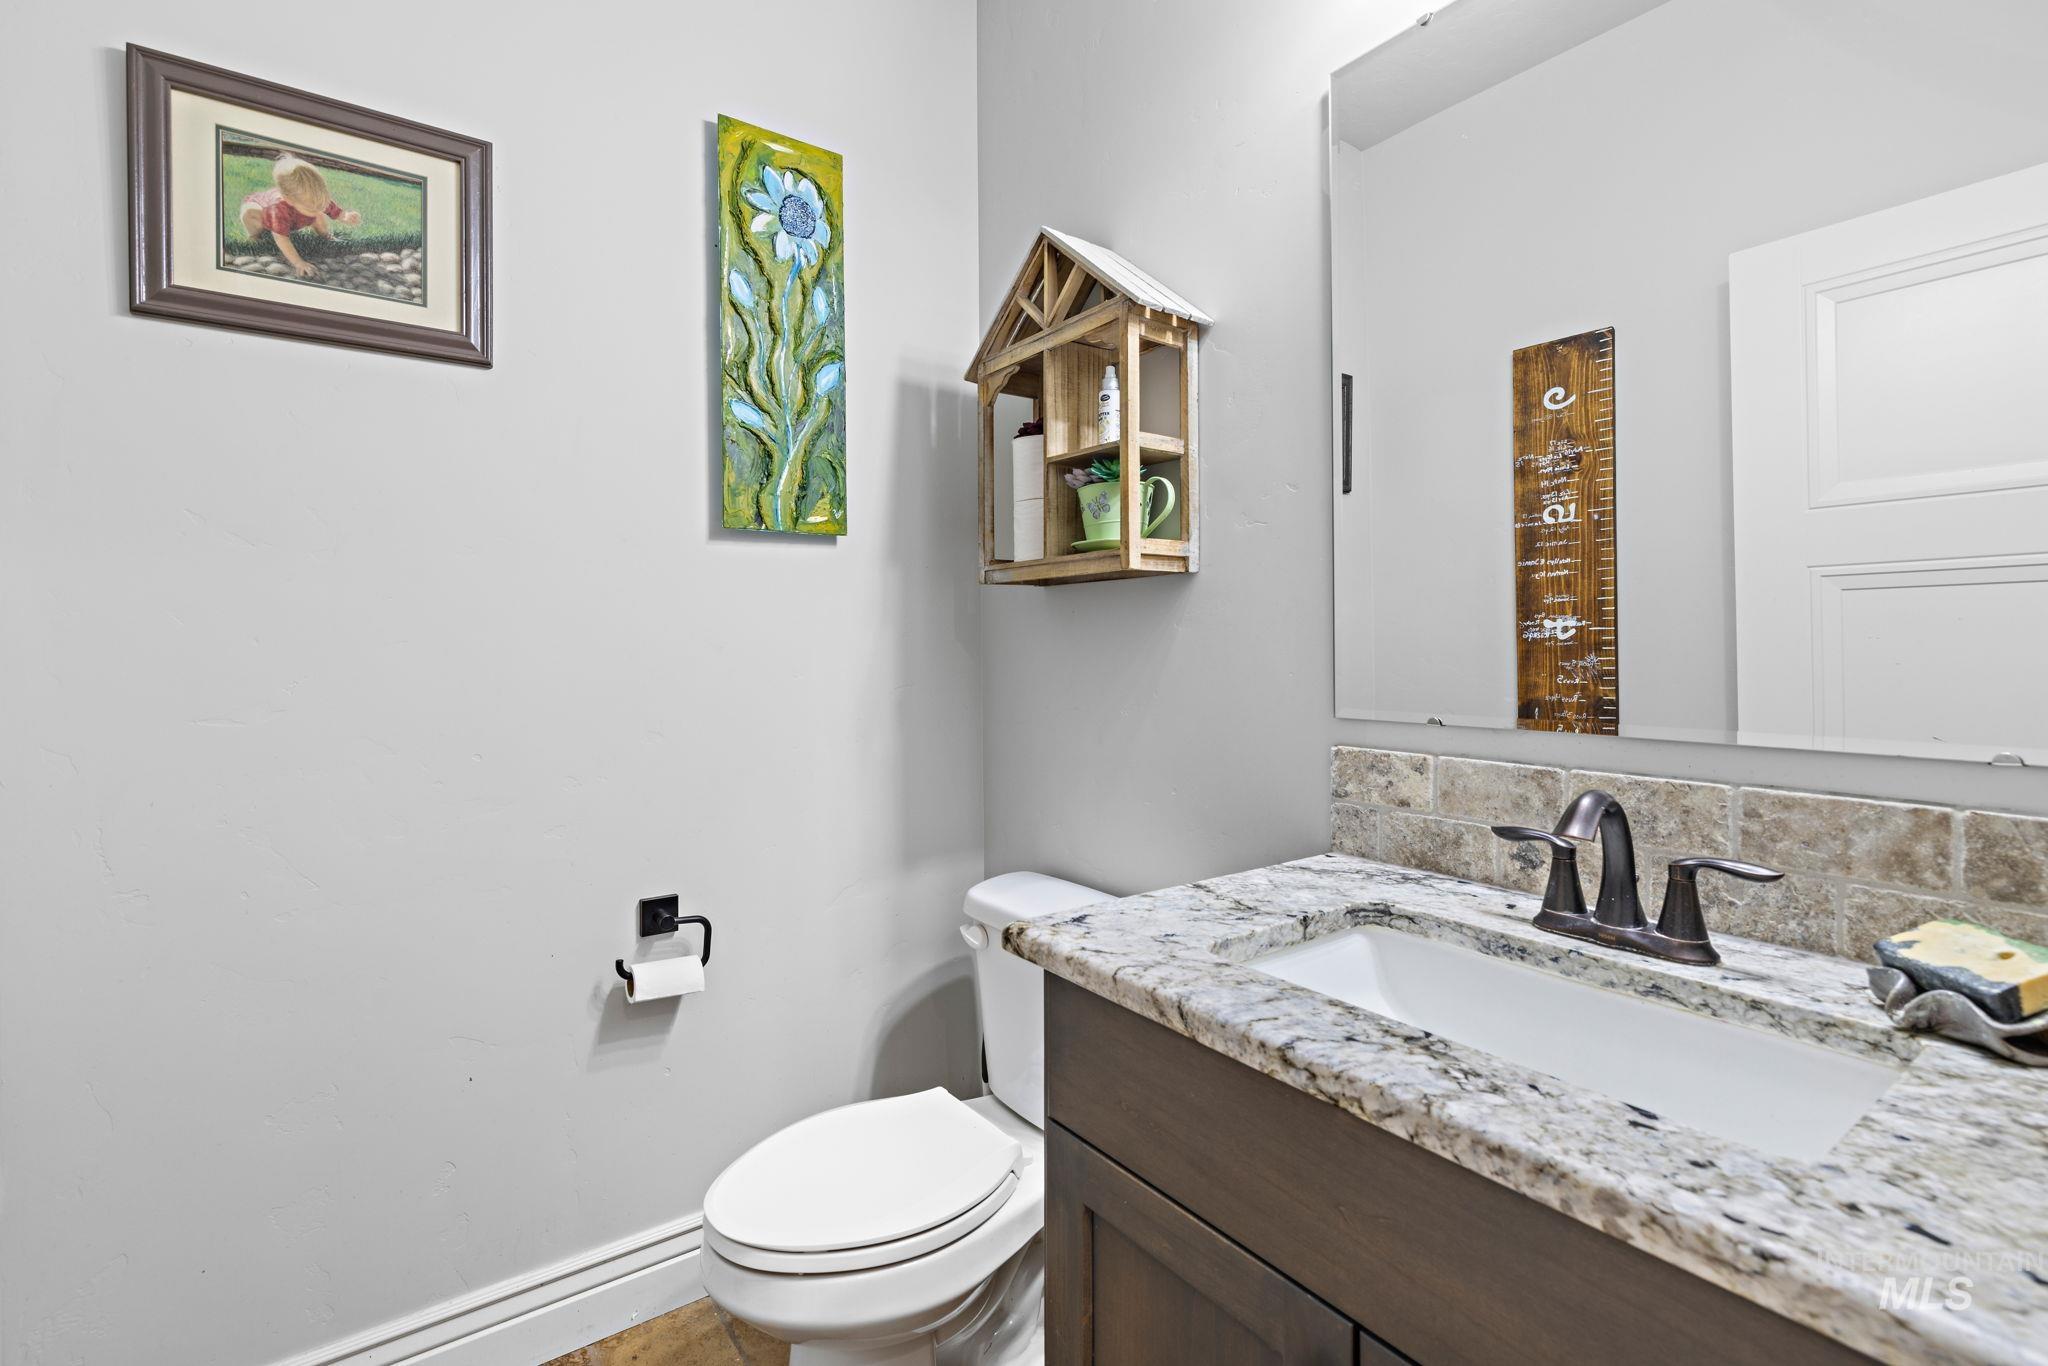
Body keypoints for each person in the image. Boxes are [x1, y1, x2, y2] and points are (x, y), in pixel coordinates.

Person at [238, 155, 361, 278]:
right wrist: (298, 263)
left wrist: (345, 216)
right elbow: (281, 238)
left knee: (317, 214)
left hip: (295, 213)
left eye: (321, 205)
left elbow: (334, 211)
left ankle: (326, 236)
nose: (319, 208)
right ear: (288, 199)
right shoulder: (278, 209)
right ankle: (254, 236)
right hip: (261, 211)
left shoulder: (316, 198)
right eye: (312, 207)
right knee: (248, 212)